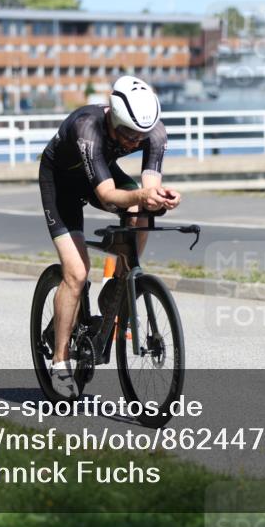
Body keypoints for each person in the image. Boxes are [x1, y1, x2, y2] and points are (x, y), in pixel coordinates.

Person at [38, 75, 180, 397]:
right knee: (76, 273)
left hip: (98, 172)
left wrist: (160, 197)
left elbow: (148, 187)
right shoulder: (87, 128)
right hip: (60, 184)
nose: (134, 142)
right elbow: (106, 196)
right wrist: (143, 196)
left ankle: (119, 283)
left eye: (140, 135)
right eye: (128, 134)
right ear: (113, 119)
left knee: (141, 211)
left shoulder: (153, 131)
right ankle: (60, 363)